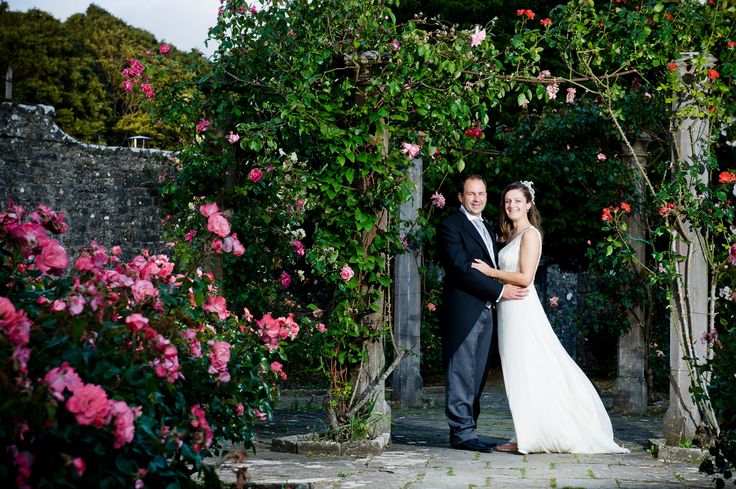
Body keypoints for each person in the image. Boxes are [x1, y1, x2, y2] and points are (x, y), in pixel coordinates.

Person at [471, 181, 630, 454]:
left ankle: (529, 437)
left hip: (521, 311)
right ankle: (526, 432)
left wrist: (491, 273)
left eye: (518, 201)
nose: (512, 206)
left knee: (527, 371)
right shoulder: (510, 235)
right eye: (508, 201)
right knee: (518, 373)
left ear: (529, 205)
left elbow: (525, 278)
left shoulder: (531, 235)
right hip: (508, 311)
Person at [436, 174, 528, 453]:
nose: (477, 198)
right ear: (461, 198)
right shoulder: (450, 226)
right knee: (461, 372)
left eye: (482, 194)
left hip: (489, 312)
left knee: (477, 375)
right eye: (471, 194)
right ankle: (461, 433)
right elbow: (462, 269)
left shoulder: (488, 227)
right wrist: (500, 292)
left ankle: (469, 429)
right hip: (465, 310)